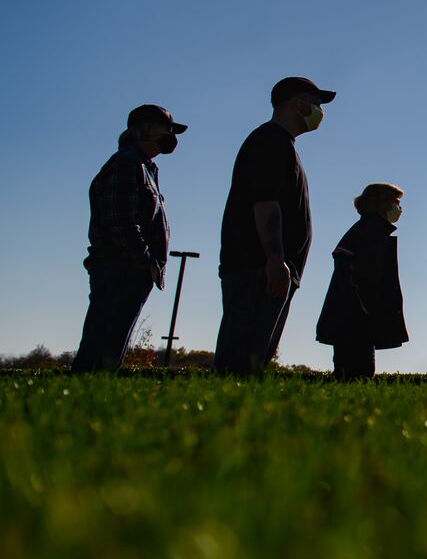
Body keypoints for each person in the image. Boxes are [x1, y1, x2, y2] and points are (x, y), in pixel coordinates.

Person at [215, 77, 335, 376]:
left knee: (255, 359)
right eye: (316, 103)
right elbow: (265, 203)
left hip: (271, 270)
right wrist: (274, 258)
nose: (320, 111)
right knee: (241, 361)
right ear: (296, 103)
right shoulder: (270, 142)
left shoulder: (283, 145)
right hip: (258, 269)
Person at [73, 105, 187, 373]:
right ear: (141, 130)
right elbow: (121, 221)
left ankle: (94, 399)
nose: (171, 136)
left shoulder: (144, 167)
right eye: (165, 129)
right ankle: (84, 398)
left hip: (130, 270)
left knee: (112, 347)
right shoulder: (126, 164)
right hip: (120, 269)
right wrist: (144, 260)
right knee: (102, 346)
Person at [316, 184, 408, 379]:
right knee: (360, 372)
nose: (399, 208)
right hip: (356, 318)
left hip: (348, 315)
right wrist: (368, 308)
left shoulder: (364, 228)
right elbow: (365, 272)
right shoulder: (373, 230)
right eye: (395, 203)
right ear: (380, 204)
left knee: (344, 369)